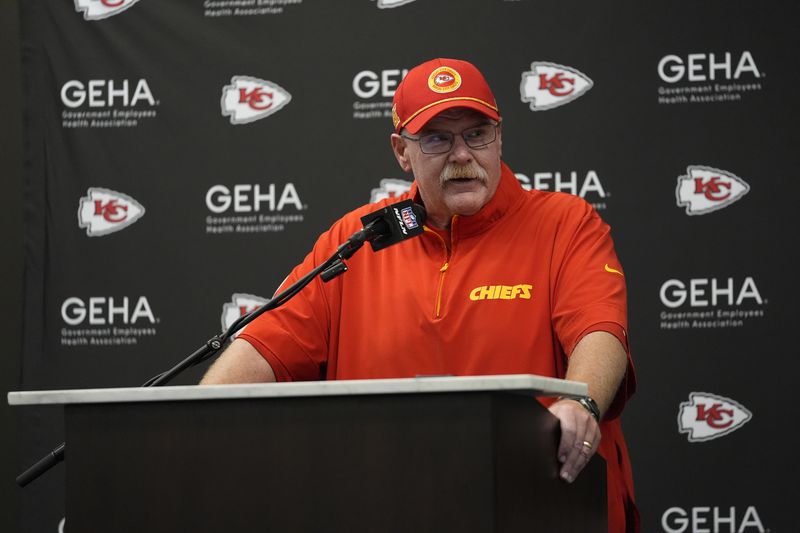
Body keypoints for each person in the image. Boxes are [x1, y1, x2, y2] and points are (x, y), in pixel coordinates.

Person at [201, 58, 638, 532]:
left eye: (477, 133)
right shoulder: (357, 240)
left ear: (499, 136)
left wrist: (582, 403)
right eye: (437, 139)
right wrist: (193, 428)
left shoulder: (565, 223)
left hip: (537, 506)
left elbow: (600, 329)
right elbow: (264, 346)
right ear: (402, 152)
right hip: (388, 507)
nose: (462, 155)